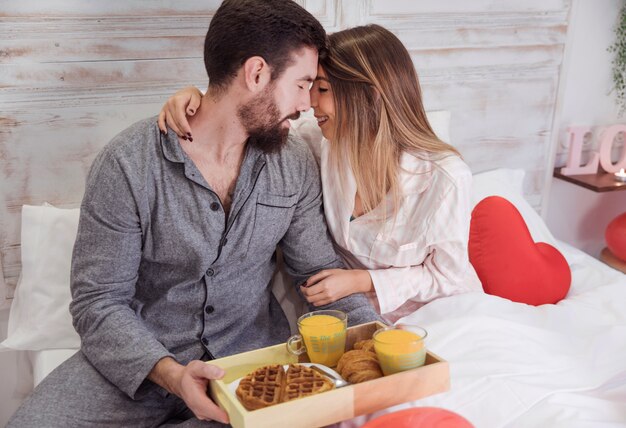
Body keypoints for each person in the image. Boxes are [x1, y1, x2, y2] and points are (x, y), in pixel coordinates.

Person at [8, 1, 380, 427]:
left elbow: (318, 273)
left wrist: (376, 340)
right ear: (256, 74)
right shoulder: (127, 164)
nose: (306, 103)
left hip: (249, 366)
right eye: (301, 84)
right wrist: (171, 373)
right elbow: (98, 302)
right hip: (136, 365)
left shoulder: (293, 162)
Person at [159, 24, 482, 325]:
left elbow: (449, 277)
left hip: (443, 317)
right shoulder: (316, 145)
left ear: (369, 96)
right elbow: (251, 116)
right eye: (311, 87)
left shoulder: (444, 177)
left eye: (323, 89)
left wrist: (365, 280)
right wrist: (198, 99)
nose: (310, 102)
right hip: (357, 315)